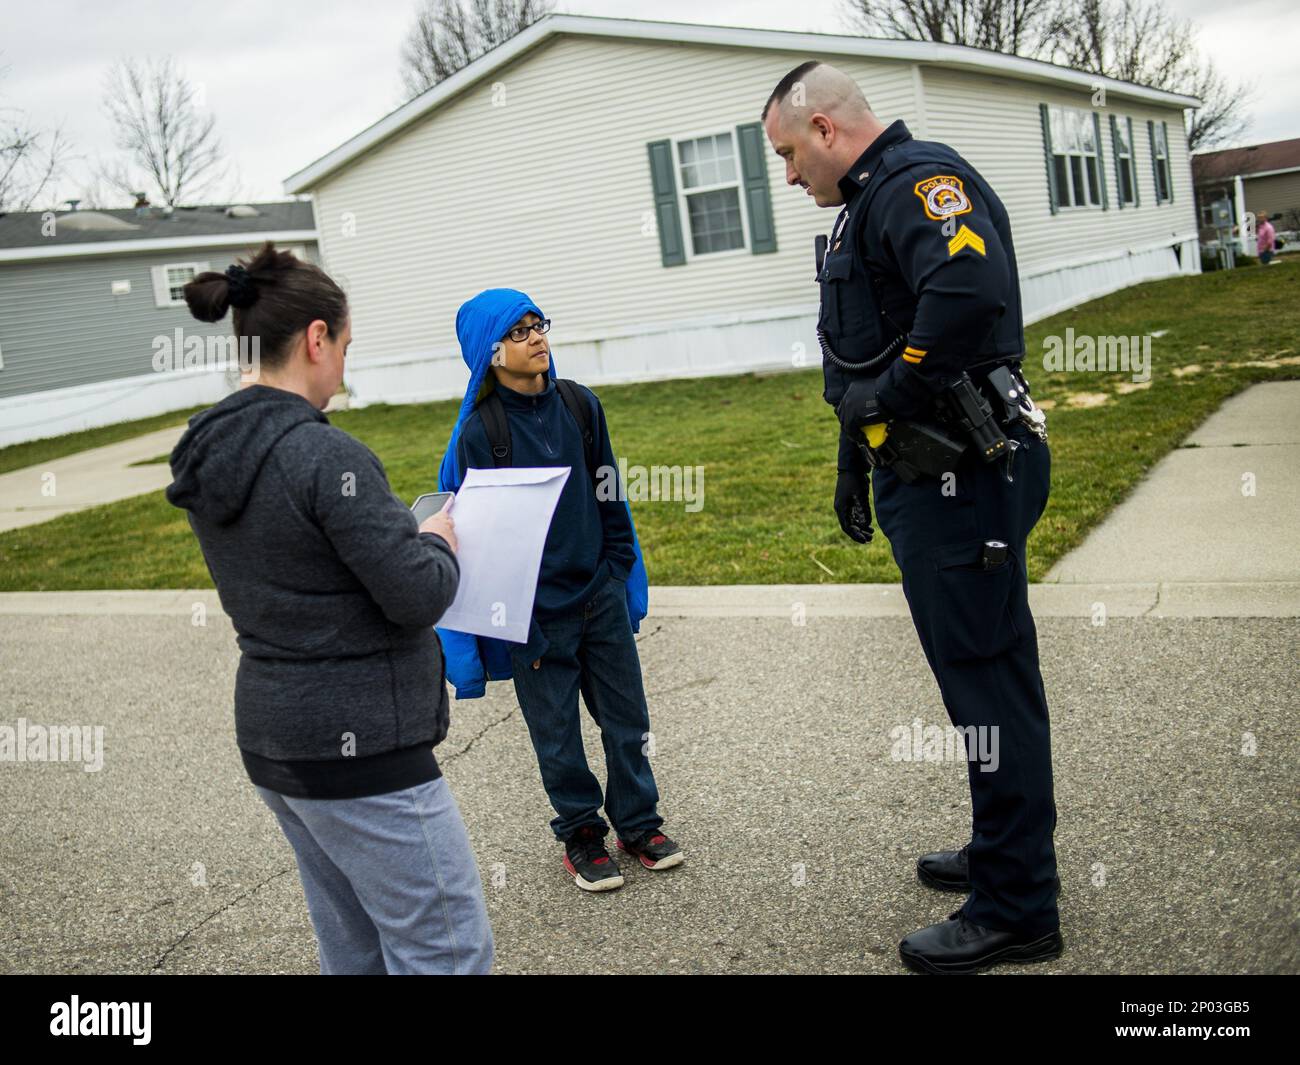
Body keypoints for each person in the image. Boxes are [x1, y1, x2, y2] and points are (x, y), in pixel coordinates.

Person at [762, 62, 1063, 974]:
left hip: (964, 477)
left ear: (823, 128)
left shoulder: (918, 183)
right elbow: (869, 349)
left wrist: (890, 399)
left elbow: (966, 297)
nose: (788, 177)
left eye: (786, 155)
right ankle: (998, 847)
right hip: (928, 475)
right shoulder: (866, 201)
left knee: (987, 678)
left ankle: (1018, 904)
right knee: (974, 677)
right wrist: (859, 458)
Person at [167, 243, 493, 974]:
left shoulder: (210, 448)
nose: (345, 367)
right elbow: (416, 592)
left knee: (354, 946)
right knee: (445, 948)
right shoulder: (324, 455)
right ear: (316, 338)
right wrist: (434, 539)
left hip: (275, 741)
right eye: (345, 346)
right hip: (364, 750)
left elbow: (303, 558)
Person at [435, 288, 682, 892]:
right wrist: (517, 615)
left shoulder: (579, 405)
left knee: (628, 719)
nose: (537, 338)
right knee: (557, 735)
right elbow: (484, 544)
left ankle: (637, 822)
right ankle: (581, 833)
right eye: (518, 333)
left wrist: (618, 566)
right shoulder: (481, 435)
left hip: (598, 594)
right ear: (489, 355)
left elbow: (608, 489)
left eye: (537, 324)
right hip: (533, 616)